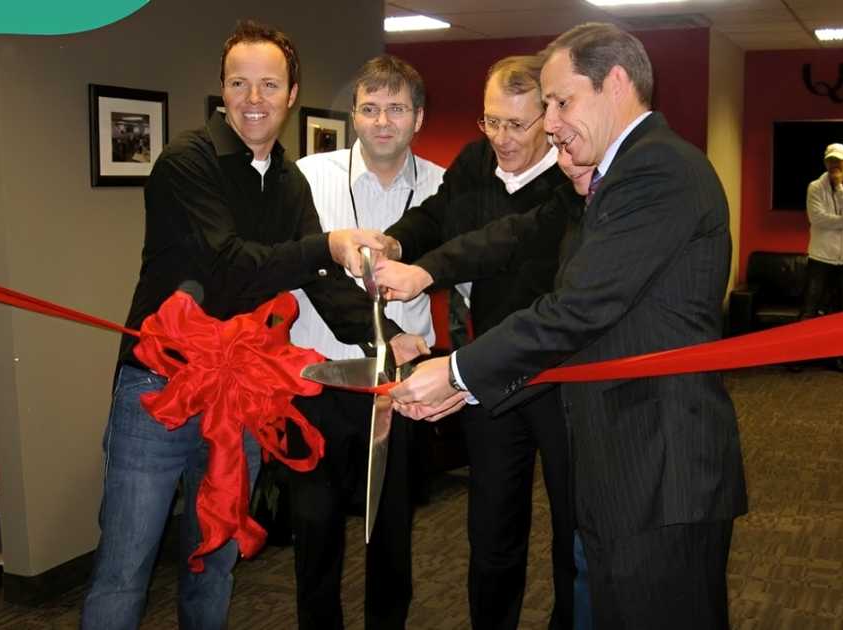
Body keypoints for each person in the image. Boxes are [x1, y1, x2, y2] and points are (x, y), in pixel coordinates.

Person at [387, 23, 748, 629]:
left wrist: (455, 372)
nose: (549, 122)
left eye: (559, 102)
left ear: (614, 83)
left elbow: (577, 308)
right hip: (624, 457)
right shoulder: (612, 177)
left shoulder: (655, 170)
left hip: (659, 462)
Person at [80, 20, 422, 630]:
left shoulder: (287, 181)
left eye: (269, 84)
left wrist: (385, 339)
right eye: (240, 83)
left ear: (292, 94)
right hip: (159, 388)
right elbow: (229, 267)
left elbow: (318, 279)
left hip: (239, 392)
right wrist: (328, 243)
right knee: (124, 568)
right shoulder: (186, 162)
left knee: (214, 560)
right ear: (222, 90)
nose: (254, 98)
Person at [377, 55, 577, 630]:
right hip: (486, 372)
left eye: (517, 125)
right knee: (492, 528)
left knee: (575, 526)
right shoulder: (475, 161)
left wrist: (426, 271)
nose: (502, 139)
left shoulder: (574, 176)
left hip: (560, 377)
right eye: (491, 122)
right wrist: (394, 245)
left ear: (549, 116)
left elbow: (503, 243)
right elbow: (438, 216)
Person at [284, 54, 444, 630]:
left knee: (392, 530)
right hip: (319, 382)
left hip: (399, 389)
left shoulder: (441, 188)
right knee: (315, 529)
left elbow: (468, 278)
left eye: (396, 109)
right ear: (353, 114)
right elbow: (304, 270)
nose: (382, 121)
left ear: (418, 117)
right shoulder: (309, 176)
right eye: (370, 108)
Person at [801, 142, 843, 373]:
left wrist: (840, 190)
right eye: (830, 160)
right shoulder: (814, 187)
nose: (834, 165)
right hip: (820, 256)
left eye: (838, 161)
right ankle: (798, 355)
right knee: (809, 309)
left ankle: (837, 358)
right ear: (825, 162)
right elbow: (817, 219)